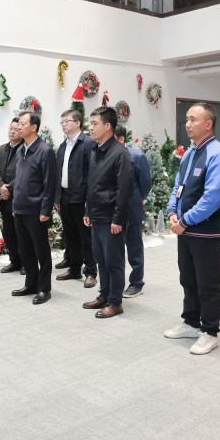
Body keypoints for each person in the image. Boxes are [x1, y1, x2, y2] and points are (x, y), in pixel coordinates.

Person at [163, 102, 220, 355]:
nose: (188, 124)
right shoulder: (191, 153)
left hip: (206, 232)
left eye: (193, 119)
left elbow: (212, 198)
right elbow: (178, 186)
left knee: (207, 283)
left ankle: (210, 331)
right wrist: (172, 212)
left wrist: (184, 221)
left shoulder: (218, 154)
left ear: (208, 124)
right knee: (188, 279)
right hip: (185, 230)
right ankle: (191, 322)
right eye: (187, 119)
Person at [82, 107, 133, 318]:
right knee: (101, 260)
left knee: (114, 261)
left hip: (111, 218)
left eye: (95, 124)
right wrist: (88, 210)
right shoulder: (95, 150)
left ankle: (115, 302)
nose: (91, 127)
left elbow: (124, 190)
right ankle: (104, 295)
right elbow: (92, 184)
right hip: (96, 215)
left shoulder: (120, 154)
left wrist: (118, 219)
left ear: (108, 126)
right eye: (90, 123)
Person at [11, 111, 57, 305]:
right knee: (25, 250)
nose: (19, 127)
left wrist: (45, 210)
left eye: (23, 124)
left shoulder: (45, 151)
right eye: (18, 124)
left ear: (34, 127)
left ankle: (44, 288)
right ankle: (31, 283)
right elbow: (19, 180)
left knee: (41, 251)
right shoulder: (21, 149)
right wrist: (15, 205)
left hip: (36, 211)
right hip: (20, 208)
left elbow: (50, 183)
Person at [54, 109, 97, 288]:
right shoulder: (63, 146)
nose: (64, 124)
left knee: (86, 237)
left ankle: (91, 272)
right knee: (71, 235)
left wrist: (89, 198)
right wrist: (57, 197)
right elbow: (58, 173)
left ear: (78, 123)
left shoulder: (88, 143)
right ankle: (74, 268)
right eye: (62, 122)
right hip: (65, 196)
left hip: (81, 198)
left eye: (67, 121)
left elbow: (92, 174)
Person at [113, 124, 152, 298]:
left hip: (132, 207)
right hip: (113, 208)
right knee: (114, 247)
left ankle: (137, 283)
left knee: (134, 246)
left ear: (121, 139)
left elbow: (145, 183)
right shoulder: (107, 155)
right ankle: (116, 282)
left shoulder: (137, 156)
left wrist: (137, 198)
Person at [0, 117, 24, 274]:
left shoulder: (25, 149)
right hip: (3, 198)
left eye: (16, 129)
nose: (12, 131)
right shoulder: (2, 148)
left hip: (18, 197)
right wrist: (0, 187)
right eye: (11, 128)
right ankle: (14, 261)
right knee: (9, 232)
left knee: (21, 232)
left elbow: (23, 174)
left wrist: (8, 189)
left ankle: (25, 263)